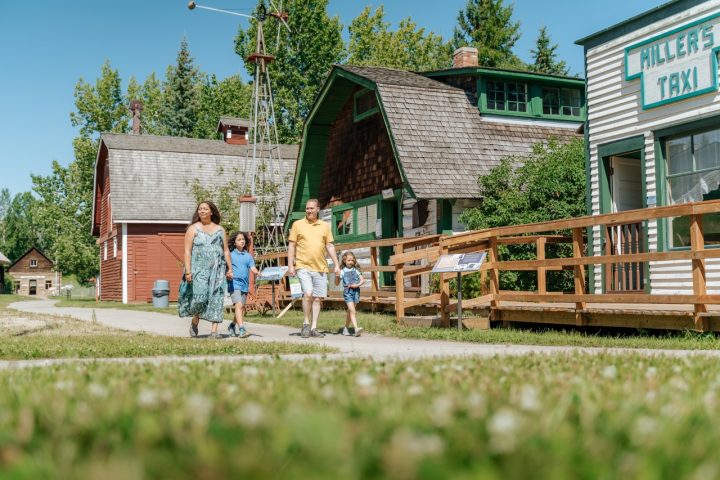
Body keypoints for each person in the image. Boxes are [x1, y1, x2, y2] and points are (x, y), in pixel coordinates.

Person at [178, 201, 233, 338]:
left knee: (216, 298)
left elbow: (225, 251)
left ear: (211, 212)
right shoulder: (193, 229)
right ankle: (195, 320)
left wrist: (230, 268)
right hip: (199, 270)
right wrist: (188, 271)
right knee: (200, 298)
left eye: (205, 209)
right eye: (200, 209)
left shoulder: (220, 230)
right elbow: (187, 251)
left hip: (218, 270)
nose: (202, 211)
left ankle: (214, 331)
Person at [287, 199, 340, 338]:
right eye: (307, 208)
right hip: (302, 265)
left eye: (311, 208)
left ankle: (314, 327)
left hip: (320, 267)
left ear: (318, 209)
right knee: (308, 293)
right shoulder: (297, 224)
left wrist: (337, 264)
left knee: (317, 299)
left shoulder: (324, 226)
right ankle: (306, 323)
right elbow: (292, 245)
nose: (309, 211)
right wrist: (290, 265)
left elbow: (329, 246)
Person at [227, 231, 259, 338]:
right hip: (234, 283)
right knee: (239, 305)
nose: (242, 241)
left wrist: (258, 272)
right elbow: (226, 268)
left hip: (244, 285)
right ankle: (241, 329)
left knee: (240, 308)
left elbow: (253, 268)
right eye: (239, 240)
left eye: (243, 239)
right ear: (234, 242)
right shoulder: (230, 255)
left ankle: (232, 325)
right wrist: (228, 273)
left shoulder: (248, 256)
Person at [335, 250, 364, 337]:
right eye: (349, 260)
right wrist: (336, 275)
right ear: (344, 261)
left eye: (352, 260)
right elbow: (336, 283)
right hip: (348, 292)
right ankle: (356, 328)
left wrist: (357, 285)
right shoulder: (342, 271)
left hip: (356, 292)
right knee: (352, 311)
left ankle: (345, 328)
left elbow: (362, 280)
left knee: (350, 311)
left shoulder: (356, 270)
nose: (351, 262)